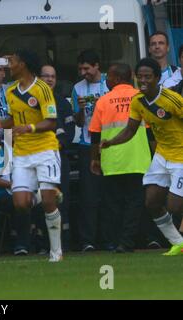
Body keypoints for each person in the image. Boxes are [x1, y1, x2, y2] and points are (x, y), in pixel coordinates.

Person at [100, 58, 183, 256]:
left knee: (173, 205)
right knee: (152, 202)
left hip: (181, 156)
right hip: (162, 155)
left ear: (157, 78)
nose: (143, 80)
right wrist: (111, 142)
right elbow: (130, 130)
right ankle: (178, 242)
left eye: (148, 77)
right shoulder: (137, 101)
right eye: (140, 76)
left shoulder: (172, 100)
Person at [0, 50, 63, 262]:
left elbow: (51, 121)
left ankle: (56, 252)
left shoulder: (42, 89)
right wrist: (0, 125)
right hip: (22, 153)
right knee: (20, 204)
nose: (7, 66)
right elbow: (13, 120)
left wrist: (29, 127)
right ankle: (40, 195)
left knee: (50, 205)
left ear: (23, 64)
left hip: (45, 150)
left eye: (11, 61)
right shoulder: (11, 91)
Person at [89, 63, 151, 253]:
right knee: (135, 203)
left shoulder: (104, 101)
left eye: (108, 77)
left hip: (112, 160)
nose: (106, 80)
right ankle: (129, 241)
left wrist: (95, 159)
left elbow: (95, 134)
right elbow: (151, 132)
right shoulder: (141, 98)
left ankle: (116, 242)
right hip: (138, 159)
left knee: (113, 204)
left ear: (116, 78)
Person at [71, 49, 109, 252]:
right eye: (80, 69)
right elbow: (78, 122)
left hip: (111, 144)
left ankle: (109, 238)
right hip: (88, 144)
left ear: (96, 66)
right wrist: (80, 110)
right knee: (89, 195)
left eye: (86, 68)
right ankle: (88, 241)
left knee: (110, 193)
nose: (83, 72)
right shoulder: (77, 88)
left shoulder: (109, 83)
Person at [40, 64, 75, 252]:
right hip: (38, 157)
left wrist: (57, 146)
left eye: (52, 76)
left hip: (59, 158)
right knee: (42, 200)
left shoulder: (62, 103)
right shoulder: (33, 102)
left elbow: (69, 132)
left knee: (63, 200)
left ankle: (65, 243)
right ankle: (43, 243)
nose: (50, 79)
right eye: (45, 76)